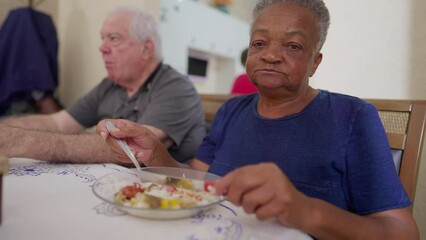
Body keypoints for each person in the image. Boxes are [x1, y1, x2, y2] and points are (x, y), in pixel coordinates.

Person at [96, 0, 419, 239]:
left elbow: (402, 232)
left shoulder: (353, 118)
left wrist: (302, 209)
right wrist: (156, 153)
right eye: (259, 43)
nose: (271, 55)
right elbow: (196, 180)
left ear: (314, 62)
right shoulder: (232, 112)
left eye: (292, 46)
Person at [0, 7, 205, 164]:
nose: (102, 48)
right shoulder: (110, 86)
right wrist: (6, 128)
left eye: (114, 38)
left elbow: (131, 148)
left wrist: (20, 141)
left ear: (146, 48)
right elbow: (58, 123)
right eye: (102, 39)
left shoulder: (176, 87)